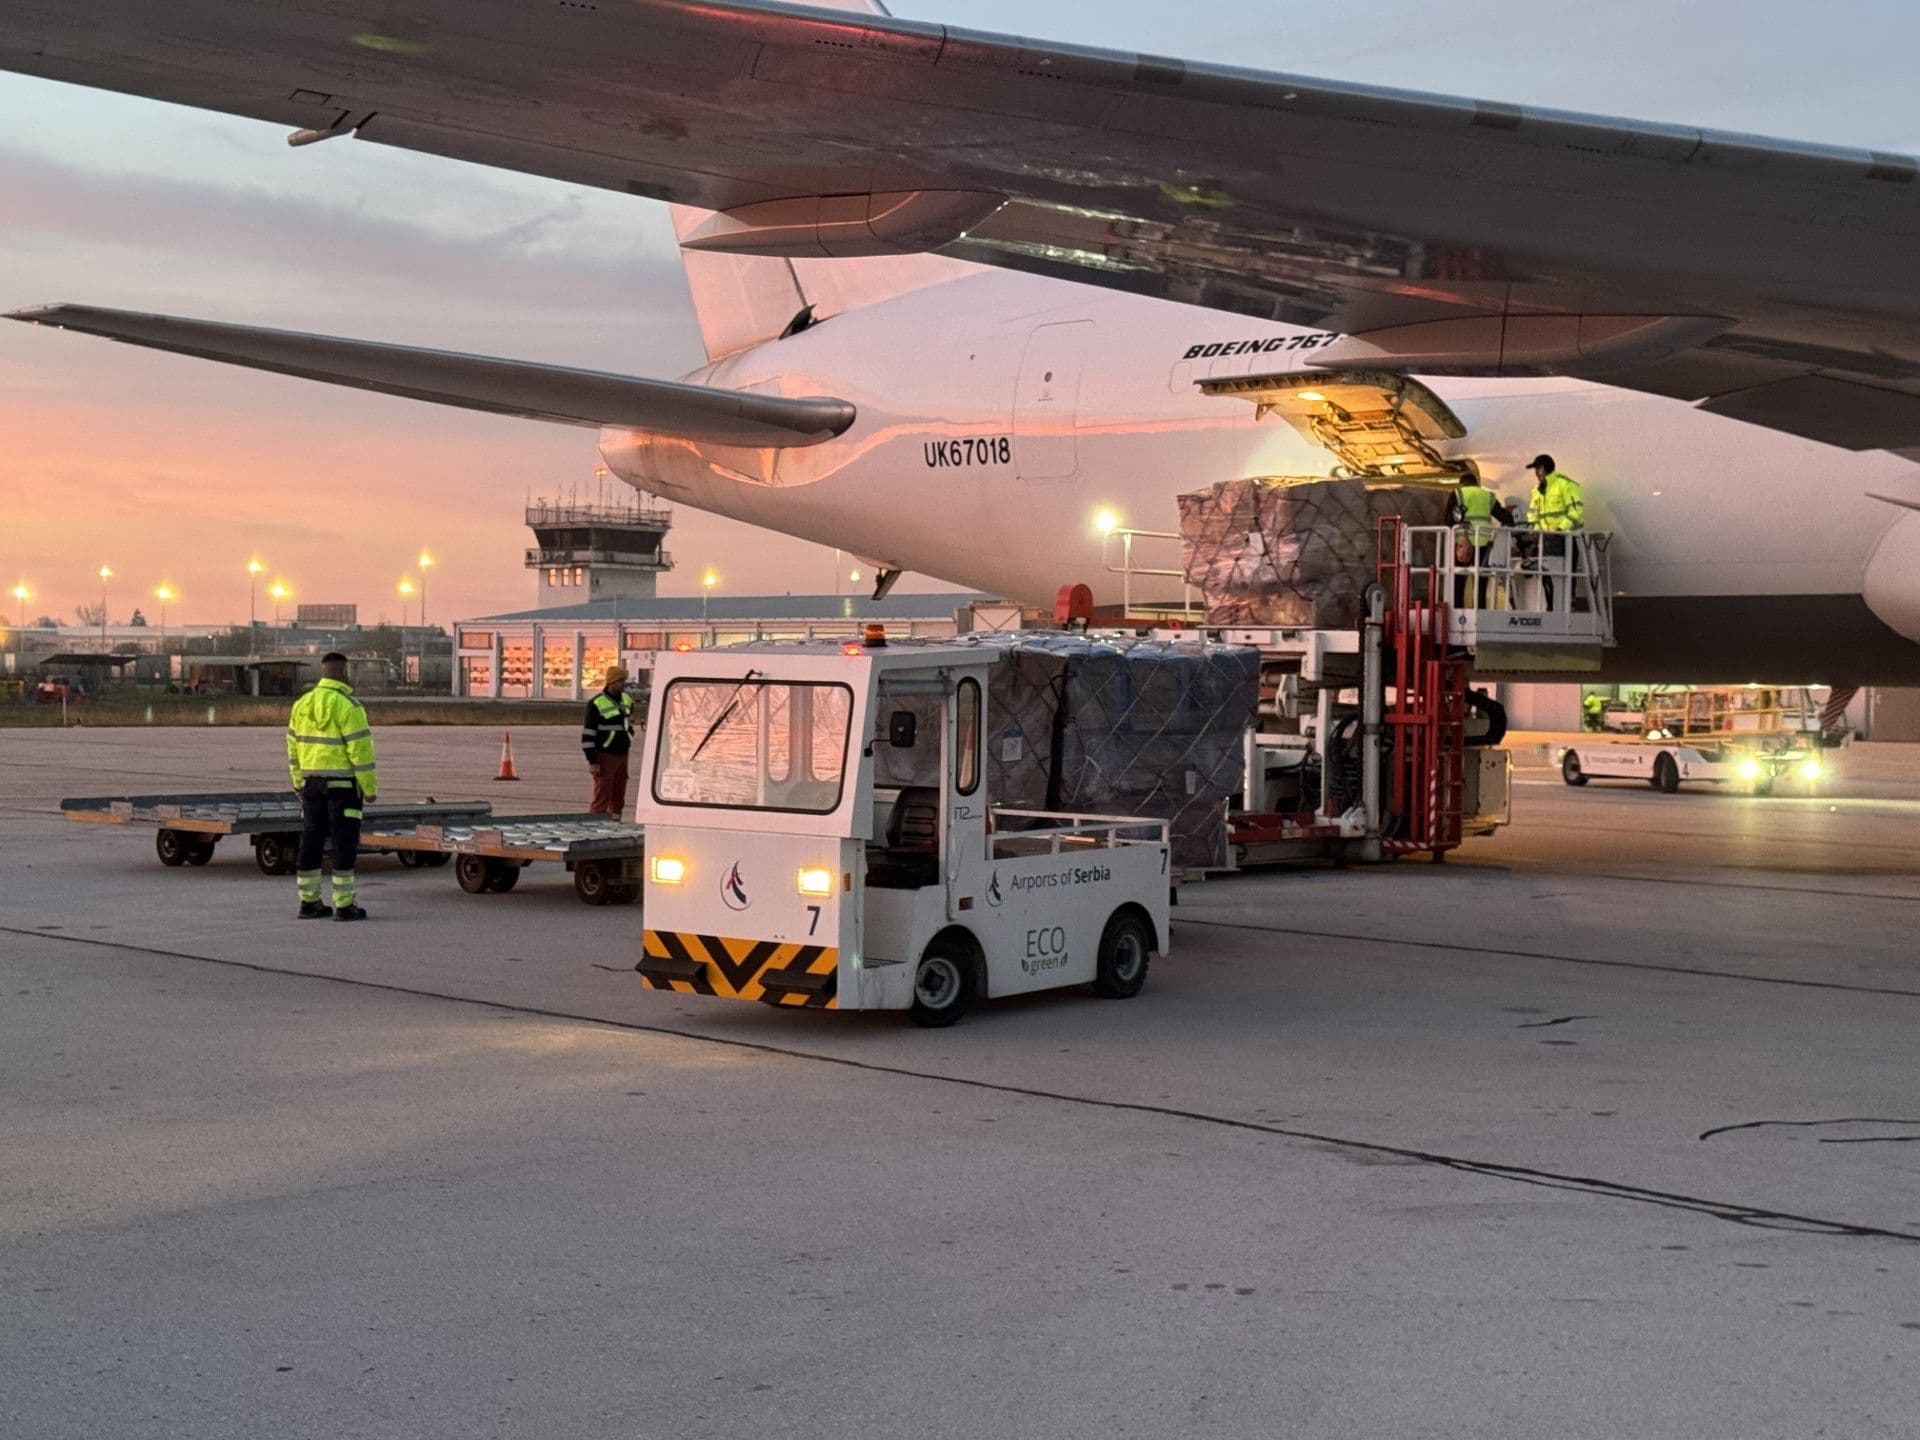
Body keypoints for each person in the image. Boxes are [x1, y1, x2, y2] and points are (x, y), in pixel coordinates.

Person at [286, 652, 376, 921]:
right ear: (343, 673)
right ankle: (345, 905)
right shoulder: (349, 706)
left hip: (311, 786)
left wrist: (298, 782)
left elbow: (293, 747)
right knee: (343, 844)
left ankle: (309, 902)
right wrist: (369, 789)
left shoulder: (302, 704)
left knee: (311, 842)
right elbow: (361, 752)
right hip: (343, 787)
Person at [1523, 454, 1585, 608]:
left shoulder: (1566, 485)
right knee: (1548, 574)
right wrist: (1535, 532)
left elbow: (1576, 512)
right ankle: (1551, 604)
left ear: (1545, 468)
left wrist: (1559, 529)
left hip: (1566, 539)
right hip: (1546, 540)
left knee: (1565, 574)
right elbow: (1533, 515)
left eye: (1538, 468)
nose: (1536, 473)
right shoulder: (1536, 491)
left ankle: (1568, 601)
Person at [1447, 467, 1512, 608]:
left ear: (1462, 484)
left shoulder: (1458, 493)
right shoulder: (1487, 495)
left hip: (1463, 543)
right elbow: (1503, 517)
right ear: (1477, 484)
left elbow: (1448, 518)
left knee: (1459, 581)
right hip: (1484, 543)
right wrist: (1509, 515)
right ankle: (1480, 611)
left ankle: (1458, 612)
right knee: (1481, 584)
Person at [582, 663, 636, 816]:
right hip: (605, 754)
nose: (623, 684)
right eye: (620, 681)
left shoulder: (627, 700)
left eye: (623, 681)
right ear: (611, 682)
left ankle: (616, 821)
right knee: (602, 793)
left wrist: (628, 738)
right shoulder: (596, 703)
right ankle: (595, 823)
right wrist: (592, 761)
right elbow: (588, 734)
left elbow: (629, 725)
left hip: (622, 754)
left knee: (619, 793)